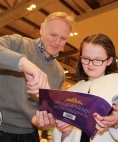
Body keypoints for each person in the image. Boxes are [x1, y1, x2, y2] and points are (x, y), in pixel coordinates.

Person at [51, 33, 118, 142]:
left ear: (109, 60)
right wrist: (66, 131)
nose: (90, 64)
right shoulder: (73, 90)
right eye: (86, 58)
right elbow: (64, 134)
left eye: (98, 60)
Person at [0, 11, 74, 142]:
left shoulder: (59, 73)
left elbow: (46, 107)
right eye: (53, 35)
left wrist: (44, 120)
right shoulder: (18, 43)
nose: (57, 42)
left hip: (30, 135)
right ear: (42, 29)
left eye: (63, 38)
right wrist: (23, 63)